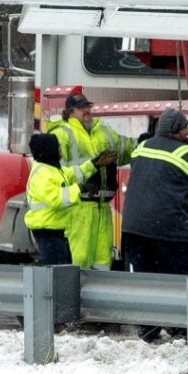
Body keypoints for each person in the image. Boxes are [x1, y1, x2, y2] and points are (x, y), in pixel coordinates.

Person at [46, 89, 135, 269]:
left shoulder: (103, 130)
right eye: (81, 108)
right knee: (79, 261)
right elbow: (58, 173)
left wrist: (147, 143)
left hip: (103, 207)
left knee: (103, 262)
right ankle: (74, 294)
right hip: (79, 208)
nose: (87, 111)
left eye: (88, 106)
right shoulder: (62, 134)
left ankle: (98, 295)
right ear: (70, 112)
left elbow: (125, 149)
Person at [120, 108, 188, 277]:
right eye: (185, 129)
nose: (187, 133)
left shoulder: (142, 147)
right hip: (171, 233)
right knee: (179, 286)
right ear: (177, 130)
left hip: (134, 230)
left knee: (144, 283)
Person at [21, 131, 84, 268]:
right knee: (57, 273)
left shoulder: (52, 169)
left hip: (55, 230)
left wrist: (95, 164)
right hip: (47, 232)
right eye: (58, 146)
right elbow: (57, 199)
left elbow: (73, 174)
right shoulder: (42, 174)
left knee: (63, 271)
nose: (60, 149)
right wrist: (80, 189)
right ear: (49, 149)